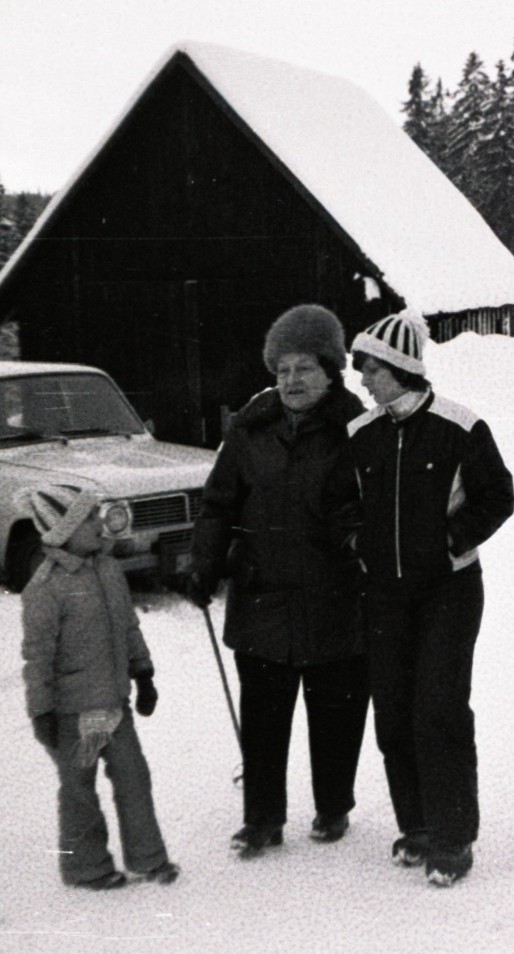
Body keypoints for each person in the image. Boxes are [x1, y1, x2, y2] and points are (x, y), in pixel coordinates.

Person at [327, 311, 514, 888]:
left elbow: (498, 497)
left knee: (438, 708)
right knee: (393, 712)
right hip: (384, 593)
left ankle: (453, 837)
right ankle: (418, 826)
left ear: (403, 369)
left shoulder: (460, 426)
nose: (363, 380)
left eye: (372, 370)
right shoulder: (363, 434)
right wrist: (361, 543)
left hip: (450, 591)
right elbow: (339, 505)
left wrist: (451, 540)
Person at [187, 304, 371, 859]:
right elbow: (219, 504)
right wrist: (204, 563)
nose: (291, 381)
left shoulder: (358, 428)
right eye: (282, 370)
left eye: (304, 369)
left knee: (336, 714)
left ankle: (334, 806)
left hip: (336, 598)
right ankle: (262, 820)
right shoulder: (251, 427)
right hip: (262, 595)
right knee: (264, 718)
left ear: (331, 370)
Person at [19, 482, 179, 890]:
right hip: (79, 712)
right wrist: (42, 711)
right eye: (88, 518)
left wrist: (143, 673)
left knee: (134, 779)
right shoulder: (47, 587)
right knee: (80, 790)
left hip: (114, 704)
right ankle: (86, 866)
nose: (98, 522)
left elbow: (128, 626)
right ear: (62, 532)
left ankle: (148, 858)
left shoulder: (107, 568)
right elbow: (37, 659)